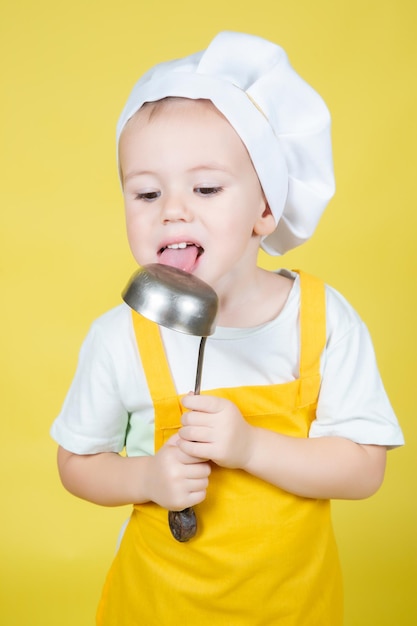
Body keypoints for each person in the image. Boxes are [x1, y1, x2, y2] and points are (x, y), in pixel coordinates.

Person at [51, 31, 404, 625]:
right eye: (146, 192)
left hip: (295, 608)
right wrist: (148, 476)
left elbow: (365, 467)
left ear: (265, 209)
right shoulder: (120, 336)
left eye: (207, 187)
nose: (173, 209)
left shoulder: (322, 320)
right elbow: (77, 463)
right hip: (158, 605)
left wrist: (249, 447)